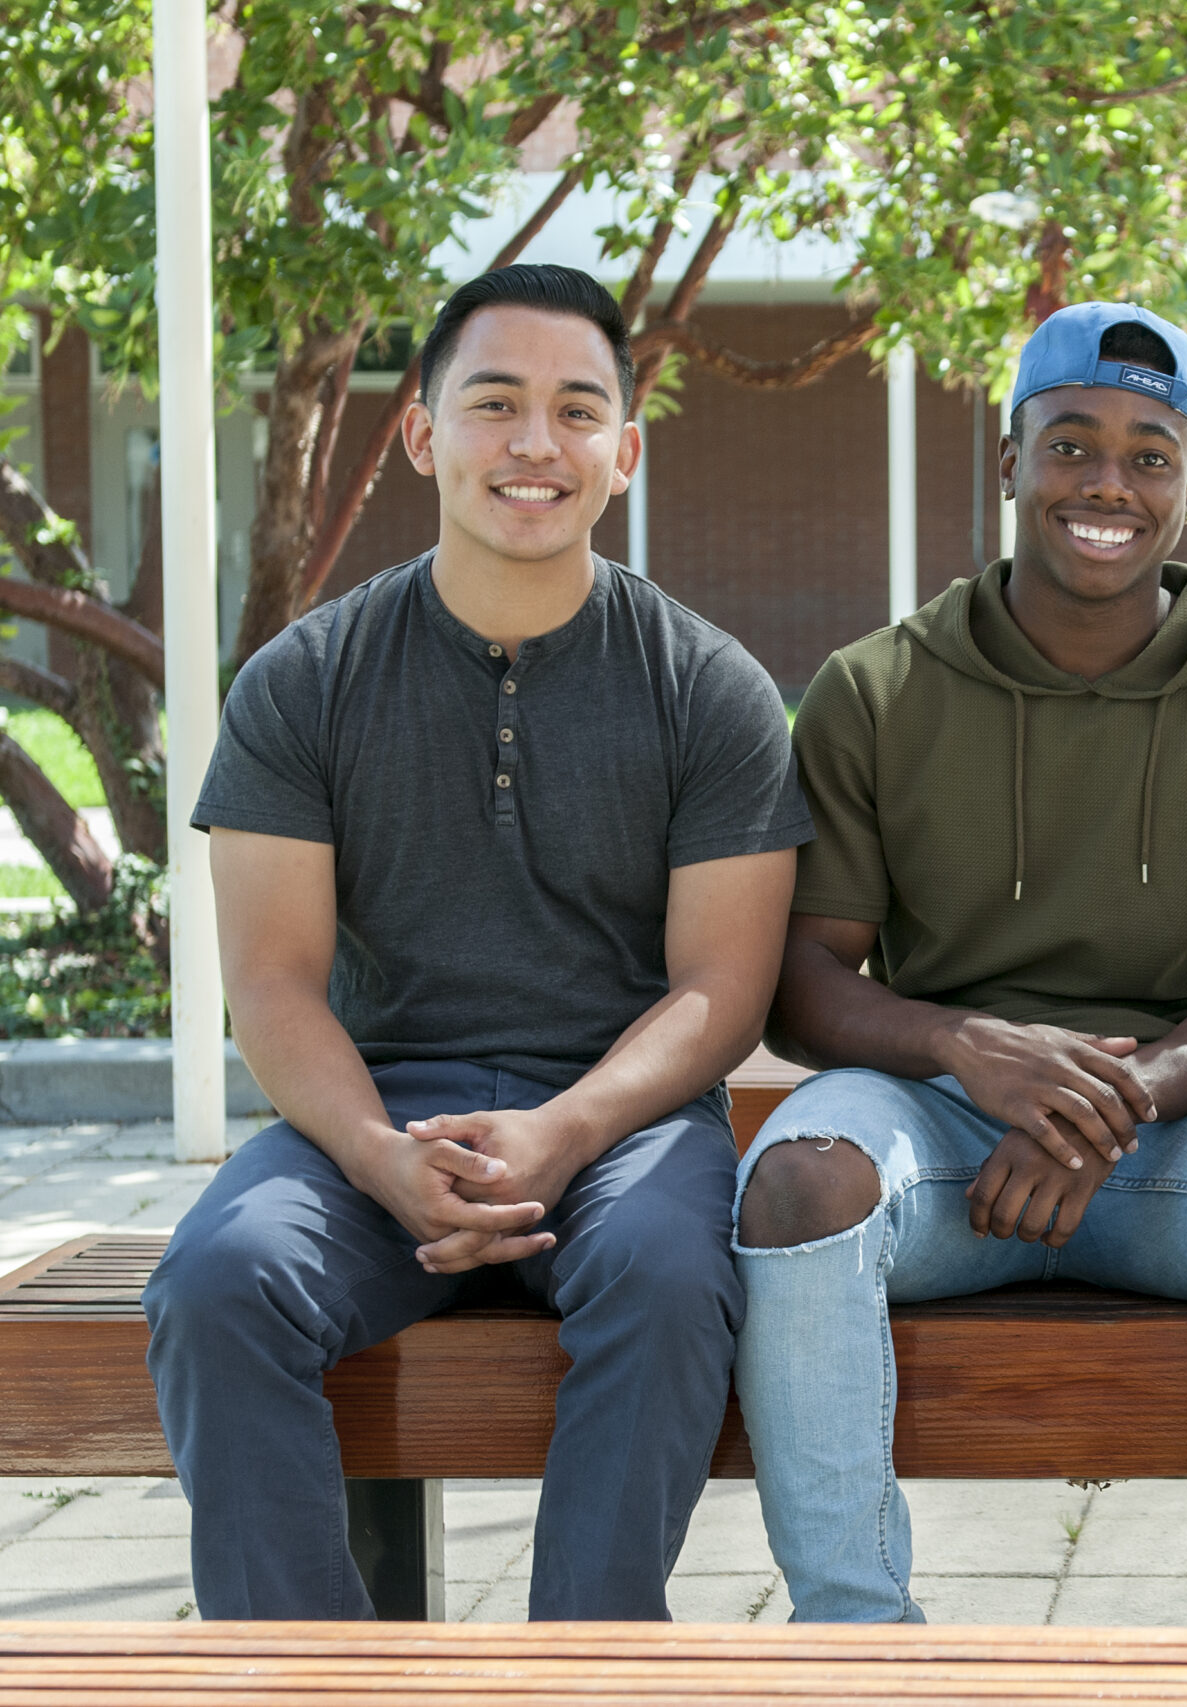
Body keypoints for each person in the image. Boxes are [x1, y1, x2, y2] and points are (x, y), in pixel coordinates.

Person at [143, 263, 810, 1621]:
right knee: (217, 1286)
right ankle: (307, 1680)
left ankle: (582, 1664)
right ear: (422, 433)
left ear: (622, 453)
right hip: (372, 1116)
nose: (532, 445)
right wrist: (381, 1157)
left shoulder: (708, 687)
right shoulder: (304, 683)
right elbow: (269, 983)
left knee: (679, 1278)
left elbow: (720, 992)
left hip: (621, 1126)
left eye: (575, 412)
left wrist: (563, 1133)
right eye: (493, 403)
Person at [734, 301, 1187, 1627]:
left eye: (1151, 454)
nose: (1108, 483)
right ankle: (858, 1650)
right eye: (1071, 445)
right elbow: (803, 980)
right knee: (799, 1185)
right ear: (1009, 460)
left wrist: (1117, 1101)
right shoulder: (876, 688)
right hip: (940, 1124)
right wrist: (959, 1047)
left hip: (1178, 1134)